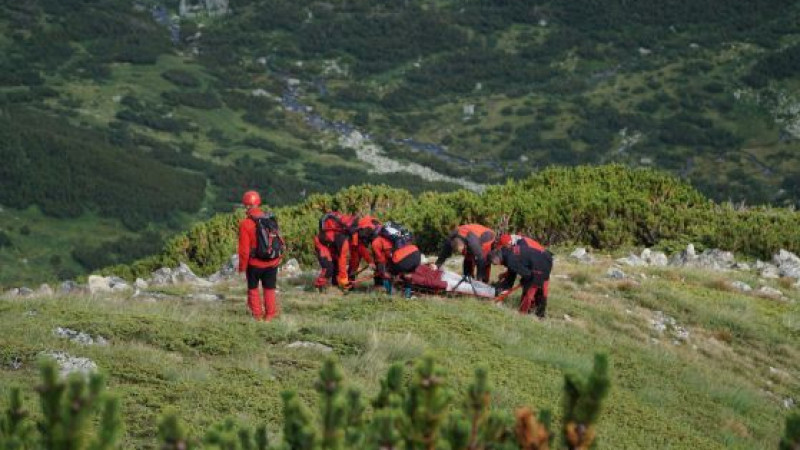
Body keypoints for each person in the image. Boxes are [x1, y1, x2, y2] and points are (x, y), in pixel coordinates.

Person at [237, 190, 283, 321]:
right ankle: (269, 317)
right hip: (272, 262)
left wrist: (242, 268)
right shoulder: (269, 219)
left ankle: (257, 317)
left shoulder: (245, 224)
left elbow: (244, 251)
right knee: (269, 289)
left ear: (246, 205)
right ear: (258, 202)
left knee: (253, 289)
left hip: (254, 264)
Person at [490, 233, 553, 318]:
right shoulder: (508, 251)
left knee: (529, 290)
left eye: (495, 263)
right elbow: (519, 265)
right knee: (539, 287)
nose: (498, 265)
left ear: (497, 258)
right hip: (545, 258)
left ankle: (522, 315)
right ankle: (539, 314)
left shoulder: (510, 258)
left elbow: (527, 274)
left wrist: (524, 280)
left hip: (540, 263)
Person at [372, 221, 422, 298]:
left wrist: (381, 269)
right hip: (416, 253)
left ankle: (389, 294)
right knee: (407, 274)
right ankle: (408, 296)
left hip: (402, 257)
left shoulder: (376, 242)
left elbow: (381, 260)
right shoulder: (395, 237)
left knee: (386, 273)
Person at [314, 211, 356, 291]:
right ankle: (318, 287)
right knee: (328, 268)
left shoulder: (340, 226)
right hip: (322, 244)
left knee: (336, 265)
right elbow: (342, 261)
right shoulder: (343, 238)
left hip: (330, 243)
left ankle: (335, 285)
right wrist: (344, 281)